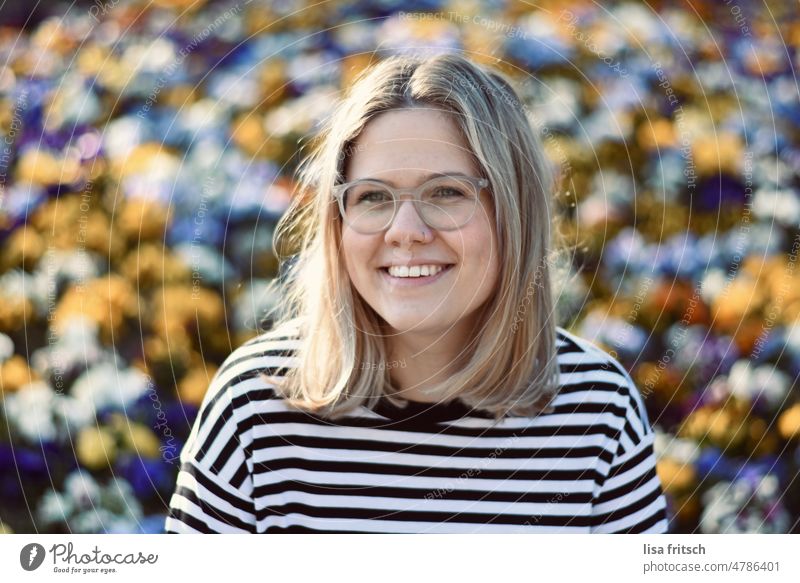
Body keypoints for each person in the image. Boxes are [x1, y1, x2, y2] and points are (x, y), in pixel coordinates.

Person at [164, 53, 669, 534]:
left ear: (514, 213)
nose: (405, 231)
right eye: (373, 197)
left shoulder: (597, 410)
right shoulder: (254, 405)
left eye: (447, 191)